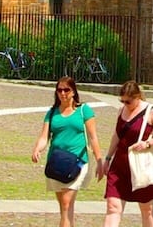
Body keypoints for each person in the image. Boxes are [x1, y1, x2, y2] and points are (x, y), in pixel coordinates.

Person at [32, 76, 102, 227]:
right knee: (65, 207)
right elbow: (44, 137)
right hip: (56, 163)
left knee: (66, 203)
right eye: (59, 90)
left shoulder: (83, 110)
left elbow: (93, 137)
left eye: (66, 90)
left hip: (77, 162)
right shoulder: (52, 113)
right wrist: (38, 149)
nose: (63, 93)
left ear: (73, 91)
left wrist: (100, 160)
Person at [102, 81, 153, 227]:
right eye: (122, 101)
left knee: (146, 208)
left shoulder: (151, 111)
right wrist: (108, 158)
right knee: (112, 207)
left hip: (140, 165)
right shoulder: (121, 110)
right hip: (119, 165)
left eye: (128, 101)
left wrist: (148, 143)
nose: (125, 104)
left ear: (137, 97)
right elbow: (117, 135)